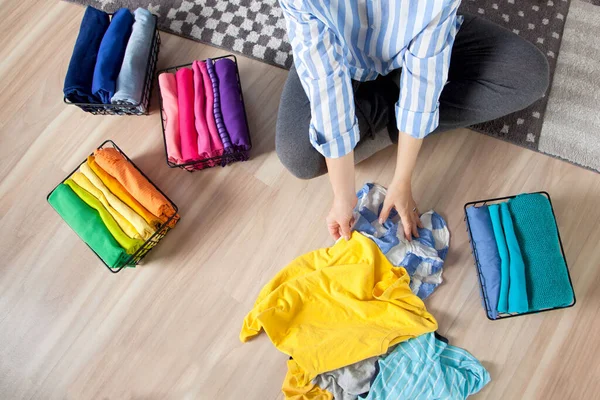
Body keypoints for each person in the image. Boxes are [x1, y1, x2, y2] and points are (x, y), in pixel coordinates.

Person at [275, 1, 549, 242]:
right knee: (299, 156)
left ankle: (395, 110)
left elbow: (425, 75)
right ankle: (394, 105)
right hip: (341, 59)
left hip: (417, 42)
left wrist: (402, 179)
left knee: (527, 74)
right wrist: (344, 195)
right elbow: (327, 87)